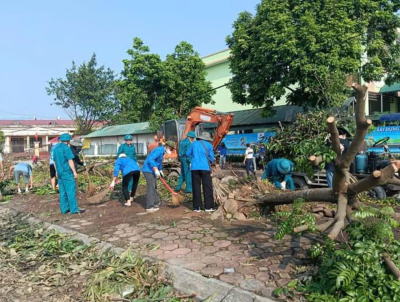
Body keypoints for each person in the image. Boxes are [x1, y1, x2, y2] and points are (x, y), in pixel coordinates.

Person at [53, 133, 84, 215]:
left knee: (62, 192)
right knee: (71, 191)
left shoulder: (56, 149)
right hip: (67, 172)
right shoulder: (66, 148)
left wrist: (56, 172)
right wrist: (74, 172)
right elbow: (70, 161)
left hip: (59, 172)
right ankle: (74, 209)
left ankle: (64, 209)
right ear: (68, 141)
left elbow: (55, 162)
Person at [142, 140, 176, 213]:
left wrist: (160, 170)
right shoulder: (159, 150)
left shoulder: (162, 151)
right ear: (167, 147)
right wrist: (155, 168)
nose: (171, 150)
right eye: (171, 149)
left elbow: (158, 162)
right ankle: (149, 207)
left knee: (154, 186)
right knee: (151, 187)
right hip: (148, 170)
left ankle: (155, 203)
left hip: (152, 170)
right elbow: (151, 159)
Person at [186, 132, 215, 212]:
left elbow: (187, 154)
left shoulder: (193, 144)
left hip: (194, 168)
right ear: (207, 139)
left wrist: (193, 158)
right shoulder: (209, 145)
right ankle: (208, 207)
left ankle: (197, 207)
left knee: (196, 187)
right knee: (207, 187)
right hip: (205, 168)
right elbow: (211, 158)